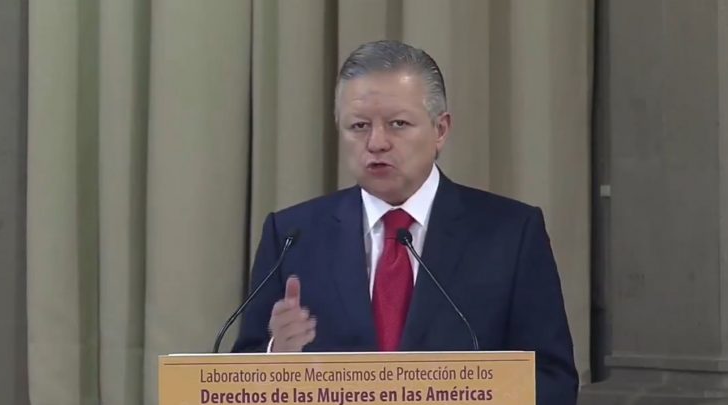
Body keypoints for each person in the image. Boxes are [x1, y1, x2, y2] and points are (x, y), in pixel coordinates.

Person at [232, 40, 578, 404]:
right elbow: (238, 378)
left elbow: (552, 381)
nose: (376, 142)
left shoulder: (511, 233)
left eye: (398, 124)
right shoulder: (292, 235)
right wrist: (275, 356)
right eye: (359, 126)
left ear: (440, 129)